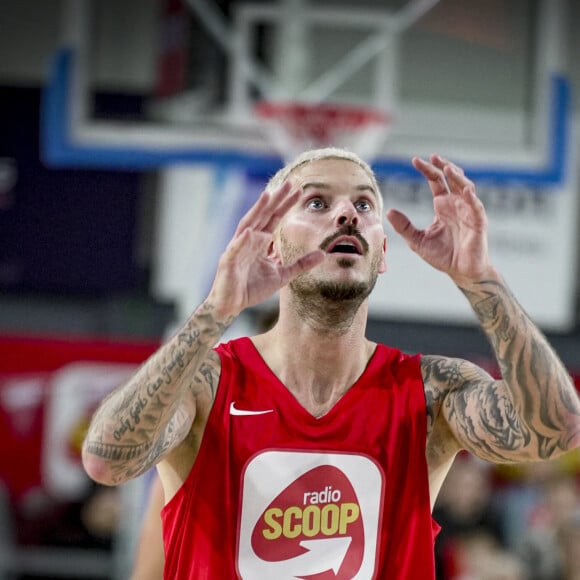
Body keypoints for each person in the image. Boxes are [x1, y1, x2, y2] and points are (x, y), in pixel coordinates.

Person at [81, 148, 580, 579]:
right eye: (317, 202)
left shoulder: (430, 392)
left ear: (383, 253)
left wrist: (481, 279)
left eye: (364, 204)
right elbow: (107, 459)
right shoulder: (208, 383)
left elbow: (556, 430)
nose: (348, 214)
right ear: (271, 243)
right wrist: (215, 312)